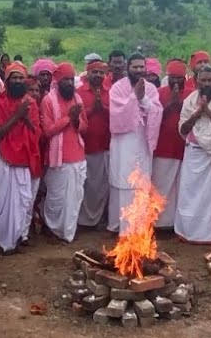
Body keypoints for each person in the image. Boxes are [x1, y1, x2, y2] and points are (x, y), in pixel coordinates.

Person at [175, 64, 211, 244]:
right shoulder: (190, 101)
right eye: (203, 80)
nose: (207, 83)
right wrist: (197, 112)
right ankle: (187, 232)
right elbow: (183, 129)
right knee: (188, 194)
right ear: (196, 81)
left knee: (209, 197)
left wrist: (208, 112)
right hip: (193, 154)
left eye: (210, 80)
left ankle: (208, 235)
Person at [0, 63, 42, 254]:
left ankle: (16, 239)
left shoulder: (31, 102)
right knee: (0, 201)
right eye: (14, 78)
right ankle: (1, 241)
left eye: (21, 78)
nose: (18, 81)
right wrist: (17, 115)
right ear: (8, 80)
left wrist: (25, 118)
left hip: (24, 158)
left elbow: (37, 134)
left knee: (22, 203)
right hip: (4, 158)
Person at [107, 54, 162, 235]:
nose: (138, 70)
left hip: (142, 143)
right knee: (122, 183)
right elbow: (117, 112)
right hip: (123, 144)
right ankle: (122, 229)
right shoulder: (117, 88)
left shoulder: (152, 89)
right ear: (127, 68)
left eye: (141, 67)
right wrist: (135, 98)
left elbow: (156, 111)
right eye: (135, 67)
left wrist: (143, 99)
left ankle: (137, 230)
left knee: (140, 185)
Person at [39, 62, 86, 243]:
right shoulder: (48, 101)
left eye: (70, 79)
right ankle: (52, 228)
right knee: (56, 200)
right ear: (57, 81)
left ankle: (67, 232)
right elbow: (47, 131)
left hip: (78, 157)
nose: (68, 83)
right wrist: (69, 118)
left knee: (74, 199)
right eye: (65, 79)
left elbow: (85, 127)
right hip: (58, 159)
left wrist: (76, 122)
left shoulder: (78, 99)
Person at [152, 60, 189, 230]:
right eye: (172, 78)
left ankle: (176, 224)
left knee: (181, 188)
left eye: (179, 78)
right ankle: (159, 223)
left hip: (184, 148)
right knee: (161, 186)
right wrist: (170, 105)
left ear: (185, 78)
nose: (175, 82)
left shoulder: (192, 94)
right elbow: (152, 121)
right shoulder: (158, 93)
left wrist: (180, 105)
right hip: (163, 147)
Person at [76, 61, 112, 229]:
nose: (98, 75)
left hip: (104, 146)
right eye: (94, 72)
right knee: (86, 185)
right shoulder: (79, 93)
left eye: (101, 72)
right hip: (84, 148)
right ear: (88, 73)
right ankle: (82, 221)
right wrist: (92, 110)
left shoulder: (110, 92)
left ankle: (97, 220)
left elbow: (116, 117)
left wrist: (102, 108)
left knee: (101, 187)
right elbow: (76, 119)